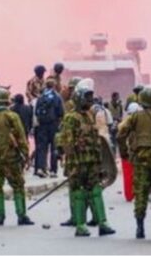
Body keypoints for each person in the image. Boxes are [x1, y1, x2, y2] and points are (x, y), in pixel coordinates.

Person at [56, 79, 115, 237]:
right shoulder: (71, 118)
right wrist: (71, 164)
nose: (89, 100)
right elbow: (67, 142)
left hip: (92, 161)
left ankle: (103, 223)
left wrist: (100, 161)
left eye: (90, 97)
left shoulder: (89, 116)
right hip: (78, 162)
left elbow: (97, 140)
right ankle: (80, 225)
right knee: (79, 192)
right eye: (86, 97)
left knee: (96, 190)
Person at [0, 88, 33, 226]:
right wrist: (25, 155)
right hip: (11, 159)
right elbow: (21, 137)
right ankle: (21, 215)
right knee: (18, 185)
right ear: (6, 101)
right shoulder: (12, 116)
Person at [116, 87, 151, 239]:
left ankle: (140, 227)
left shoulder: (134, 117)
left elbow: (121, 134)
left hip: (140, 158)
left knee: (140, 193)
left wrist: (124, 152)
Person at [34, 79, 64, 178]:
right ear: (54, 85)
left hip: (42, 125)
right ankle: (53, 170)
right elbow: (61, 112)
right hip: (53, 125)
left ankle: (41, 168)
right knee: (54, 148)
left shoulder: (41, 97)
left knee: (42, 147)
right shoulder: (57, 97)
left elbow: (36, 112)